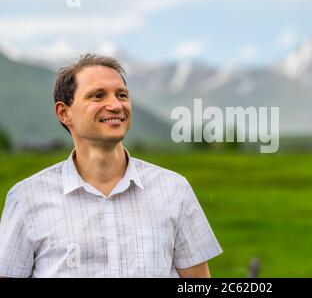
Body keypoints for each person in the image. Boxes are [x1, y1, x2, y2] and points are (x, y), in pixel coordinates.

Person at [0, 54, 223, 278]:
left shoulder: (174, 190)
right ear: (64, 112)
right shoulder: (26, 198)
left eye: (122, 95)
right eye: (97, 96)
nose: (116, 105)